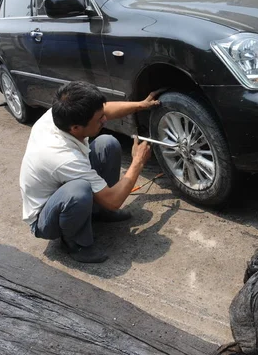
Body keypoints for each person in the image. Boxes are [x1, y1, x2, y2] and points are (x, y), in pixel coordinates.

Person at [19, 81, 160, 263]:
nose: (104, 119)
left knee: (107, 143)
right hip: (45, 219)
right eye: (98, 119)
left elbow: (104, 110)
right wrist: (138, 162)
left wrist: (141, 105)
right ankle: (76, 244)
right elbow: (114, 200)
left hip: (62, 185)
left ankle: (100, 213)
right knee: (79, 190)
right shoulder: (63, 156)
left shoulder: (60, 115)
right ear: (75, 128)